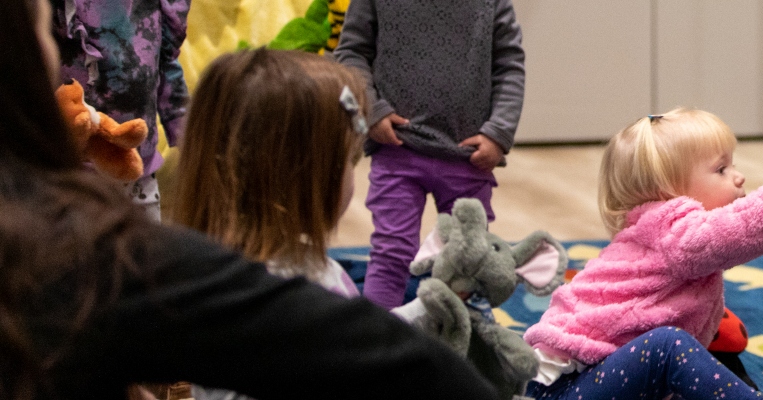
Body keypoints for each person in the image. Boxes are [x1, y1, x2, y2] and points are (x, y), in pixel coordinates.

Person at [1, 1, 498, 398]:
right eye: (48, 30)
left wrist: (428, 309)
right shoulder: (110, 265)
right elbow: (372, 358)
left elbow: (354, 341)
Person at [521, 108, 763, 399]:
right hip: (566, 390)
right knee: (668, 346)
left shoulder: (659, 232)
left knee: (715, 334)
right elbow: (752, 225)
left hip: (595, 379)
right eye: (721, 170)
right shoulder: (677, 234)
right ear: (669, 191)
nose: (739, 176)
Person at [165, 48, 374, 399]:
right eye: (349, 160)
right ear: (300, 175)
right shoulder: (277, 303)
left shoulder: (232, 272)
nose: (355, 178)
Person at [332, 0, 526, 309]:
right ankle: (376, 338)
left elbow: (509, 66)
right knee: (392, 252)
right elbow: (351, 53)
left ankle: (458, 341)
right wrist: (373, 109)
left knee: (465, 261)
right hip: (398, 149)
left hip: (468, 156)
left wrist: (498, 132)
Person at [48, 0, 190, 220]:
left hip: (139, 170)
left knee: (146, 250)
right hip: (70, 173)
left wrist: (187, 136)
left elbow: (166, 62)